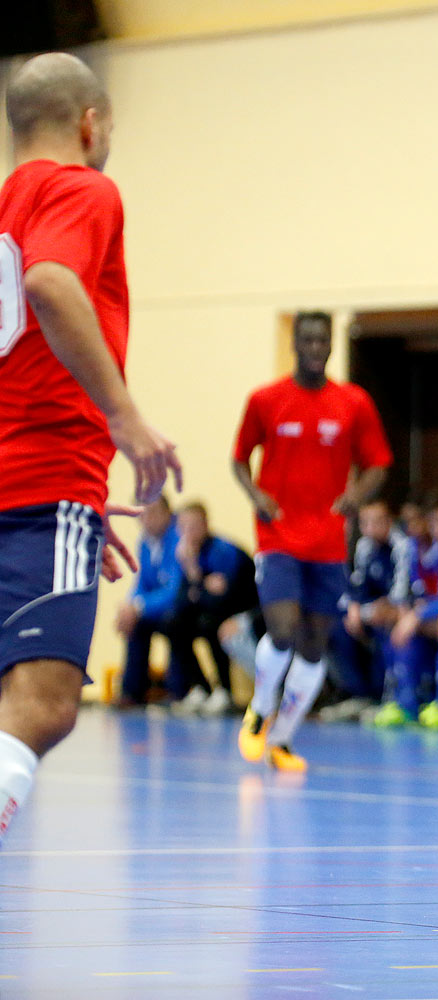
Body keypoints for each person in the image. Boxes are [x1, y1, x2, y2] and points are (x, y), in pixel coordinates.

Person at [0, 53, 181, 848]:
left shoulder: (6, 205)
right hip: (43, 484)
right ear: (91, 122)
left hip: (27, 486)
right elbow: (51, 283)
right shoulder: (83, 188)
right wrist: (122, 417)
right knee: (44, 705)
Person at [232, 310, 392, 771]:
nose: (315, 346)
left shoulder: (353, 403)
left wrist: (354, 497)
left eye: (323, 339)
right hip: (278, 534)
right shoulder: (266, 399)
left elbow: (378, 462)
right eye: (307, 338)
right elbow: (240, 458)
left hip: (327, 541)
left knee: (314, 644)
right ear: (295, 344)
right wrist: (256, 493)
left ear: (331, 345)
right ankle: (261, 708)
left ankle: (281, 740)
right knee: (281, 630)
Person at [371, 494, 438, 729]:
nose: (436, 528)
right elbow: (432, 592)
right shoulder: (435, 548)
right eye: (433, 523)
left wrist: (420, 613)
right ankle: (405, 703)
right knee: (399, 621)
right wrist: (417, 610)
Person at [166, 500, 256, 715]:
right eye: (183, 527)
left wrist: (196, 577)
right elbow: (181, 600)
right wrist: (199, 580)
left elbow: (221, 601)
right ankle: (199, 687)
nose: (188, 532)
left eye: (194, 526)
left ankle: (224, 690)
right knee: (173, 622)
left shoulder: (222, 551)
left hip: (245, 609)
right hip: (213, 609)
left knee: (209, 624)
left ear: (206, 524)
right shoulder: (183, 554)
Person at [322, 498, 405, 721]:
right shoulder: (365, 546)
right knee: (337, 626)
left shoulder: (401, 545)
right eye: (365, 522)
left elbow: (402, 589)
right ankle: (359, 694)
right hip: (372, 608)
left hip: (398, 609)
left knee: (383, 625)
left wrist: (387, 606)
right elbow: (358, 585)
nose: (371, 528)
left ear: (390, 521)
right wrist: (354, 609)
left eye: (377, 521)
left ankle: (387, 697)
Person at [115, 497, 182, 706]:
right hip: (159, 607)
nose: (146, 519)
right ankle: (132, 692)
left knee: (175, 621)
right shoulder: (145, 542)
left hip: (181, 605)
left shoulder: (178, 537)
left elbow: (175, 588)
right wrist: (130, 606)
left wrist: (139, 606)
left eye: (152, 513)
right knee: (135, 625)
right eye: (141, 514)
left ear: (167, 514)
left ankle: (178, 691)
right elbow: (141, 583)